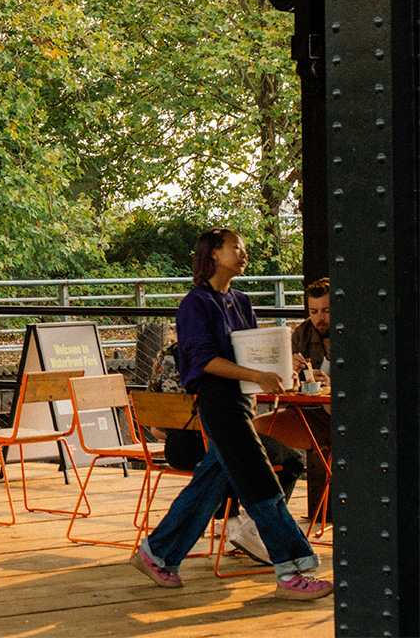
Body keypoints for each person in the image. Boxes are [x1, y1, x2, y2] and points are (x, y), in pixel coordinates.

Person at [129, 229, 331, 600]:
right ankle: (292, 569)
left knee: (209, 485)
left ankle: (157, 553)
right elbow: (205, 361)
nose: (243, 253)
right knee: (259, 481)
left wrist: (285, 365)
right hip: (218, 404)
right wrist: (258, 376)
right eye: (235, 247)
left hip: (242, 402)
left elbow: (254, 353)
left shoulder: (240, 300)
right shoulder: (195, 304)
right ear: (213, 254)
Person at [146, 335, 306, 564]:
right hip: (215, 438)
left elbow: (155, 422)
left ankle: (230, 523)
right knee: (290, 460)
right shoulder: (225, 356)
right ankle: (253, 528)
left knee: (222, 459)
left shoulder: (167, 353)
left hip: (177, 448)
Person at [256, 277, 333, 519]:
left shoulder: (359, 333)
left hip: (344, 419)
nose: (320, 318)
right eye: (313, 311)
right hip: (309, 413)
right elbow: (284, 388)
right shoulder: (302, 334)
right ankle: (253, 519)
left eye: (327, 311)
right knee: (254, 431)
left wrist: (331, 386)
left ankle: (268, 520)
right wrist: (290, 370)